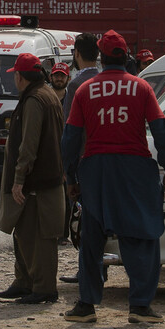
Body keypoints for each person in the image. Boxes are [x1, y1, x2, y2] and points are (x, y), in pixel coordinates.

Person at [61, 30, 165, 324]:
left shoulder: (85, 90)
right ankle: (139, 307)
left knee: (92, 239)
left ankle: (86, 305)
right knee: (141, 237)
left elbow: (71, 137)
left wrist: (71, 176)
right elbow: (161, 130)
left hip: (96, 171)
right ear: (125, 57)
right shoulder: (142, 88)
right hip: (135, 170)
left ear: (100, 57)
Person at [0, 53, 66, 304]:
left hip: (37, 183)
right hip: (44, 179)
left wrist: (19, 178)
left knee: (38, 237)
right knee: (23, 233)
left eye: (15, 74)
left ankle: (44, 288)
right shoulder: (46, 95)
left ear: (21, 77)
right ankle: (24, 282)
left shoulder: (35, 100)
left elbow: (29, 145)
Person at [58, 33, 99, 262]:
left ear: (76, 54)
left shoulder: (75, 86)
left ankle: (86, 267)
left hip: (83, 163)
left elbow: (69, 131)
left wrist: (68, 170)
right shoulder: (102, 80)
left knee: (82, 218)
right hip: (103, 160)